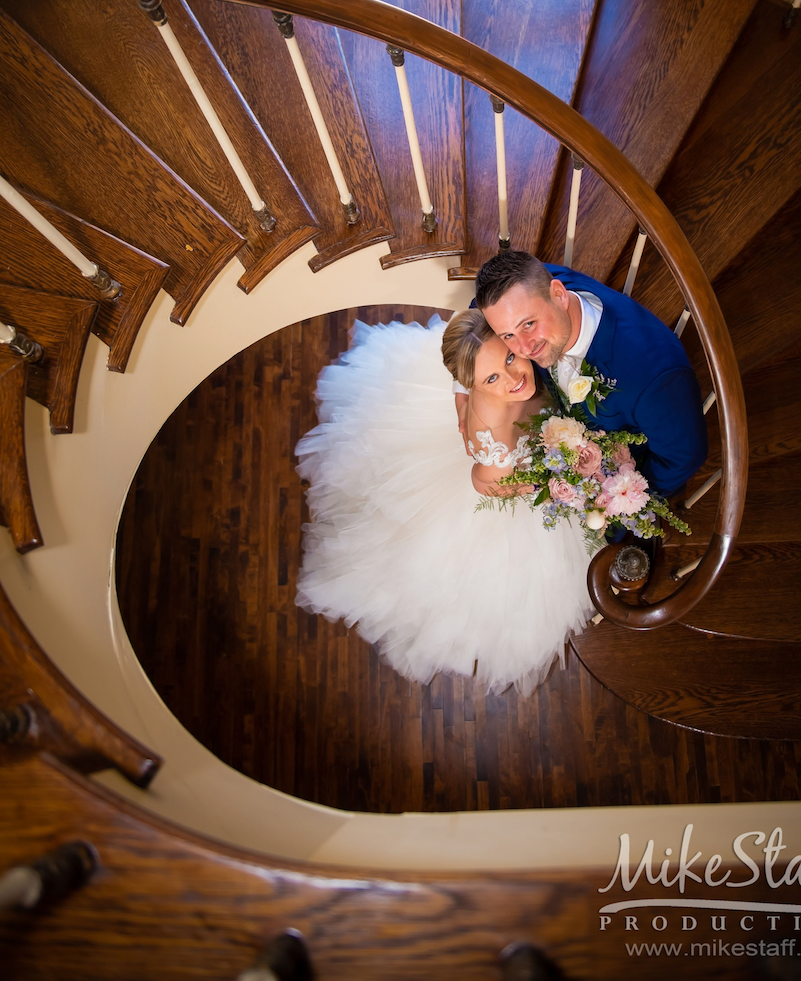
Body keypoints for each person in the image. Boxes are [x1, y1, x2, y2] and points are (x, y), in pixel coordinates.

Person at [294, 311, 592, 696]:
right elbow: (484, 483)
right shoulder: (492, 437)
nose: (514, 377)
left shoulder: (515, 359)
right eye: (491, 379)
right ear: (476, 387)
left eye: (508, 358)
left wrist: (464, 392)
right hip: (507, 477)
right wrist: (541, 487)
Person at [458, 251, 707, 497]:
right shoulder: (525, 288)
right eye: (508, 335)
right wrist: (462, 392)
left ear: (559, 295)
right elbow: (478, 313)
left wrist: (613, 502)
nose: (524, 348)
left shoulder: (656, 380)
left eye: (529, 324)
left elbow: (682, 458)